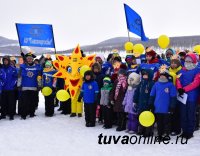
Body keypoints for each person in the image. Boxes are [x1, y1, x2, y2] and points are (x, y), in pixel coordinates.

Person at [149, 66, 177, 141]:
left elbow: (173, 97)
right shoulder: (156, 84)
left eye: (164, 75)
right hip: (157, 108)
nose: (162, 76)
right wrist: (151, 104)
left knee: (166, 122)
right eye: (161, 75)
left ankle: (166, 134)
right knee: (159, 122)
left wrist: (172, 106)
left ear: (167, 76)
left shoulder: (170, 85)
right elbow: (152, 95)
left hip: (167, 108)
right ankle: (160, 134)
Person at [176, 53, 200, 139]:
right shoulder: (181, 70)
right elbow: (178, 80)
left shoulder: (197, 71)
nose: (188, 62)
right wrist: (179, 88)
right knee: (183, 114)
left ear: (194, 61)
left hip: (191, 96)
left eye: (190, 61)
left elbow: (196, 83)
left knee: (190, 114)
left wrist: (184, 89)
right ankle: (184, 130)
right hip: (182, 96)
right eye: (186, 61)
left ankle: (190, 132)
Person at [17, 53, 42, 119]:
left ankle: (32, 113)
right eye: (28, 58)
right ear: (26, 59)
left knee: (32, 102)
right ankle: (23, 115)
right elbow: (19, 77)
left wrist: (39, 85)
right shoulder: (22, 66)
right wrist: (19, 85)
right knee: (24, 102)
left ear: (32, 59)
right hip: (25, 87)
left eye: (31, 58)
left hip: (34, 87)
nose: (29, 60)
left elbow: (39, 77)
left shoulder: (37, 66)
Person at [134, 69, 154, 136]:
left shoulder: (152, 83)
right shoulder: (141, 83)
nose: (144, 76)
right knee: (141, 117)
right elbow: (136, 92)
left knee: (148, 118)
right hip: (141, 104)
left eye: (146, 75)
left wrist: (151, 103)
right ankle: (141, 130)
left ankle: (148, 132)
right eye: (143, 75)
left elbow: (152, 95)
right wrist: (135, 100)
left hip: (148, 104)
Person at [1, 56, 18, 120]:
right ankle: (3, 115)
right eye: (4, 60)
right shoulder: (1, 68)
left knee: (11, 103)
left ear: (8, 61)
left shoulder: (13, 69)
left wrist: (13, 84)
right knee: (3, 102)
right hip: (3, 89)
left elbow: (16, 77)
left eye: (6, 60)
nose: (5, 61)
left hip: (11, 89)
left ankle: (11, 115)